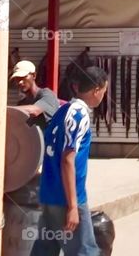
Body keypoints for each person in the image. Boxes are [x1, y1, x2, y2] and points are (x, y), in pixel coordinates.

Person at [32, 66, 109, 256]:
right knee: (85, 251)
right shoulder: (79, 114)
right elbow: (67, 159)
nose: (103, 97)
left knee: (45, 250)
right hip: (66, 197)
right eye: (104, 92)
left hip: (49, 194)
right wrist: (73, 206)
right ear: (96, 90)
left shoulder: (63, 110)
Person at [11, 60, 61, 128]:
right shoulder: (22, 103)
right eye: (17, 79)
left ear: (34, 75)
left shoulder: (47, 94)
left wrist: (5, 110)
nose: (20, 82)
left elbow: (34, 111)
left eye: (23, 77)